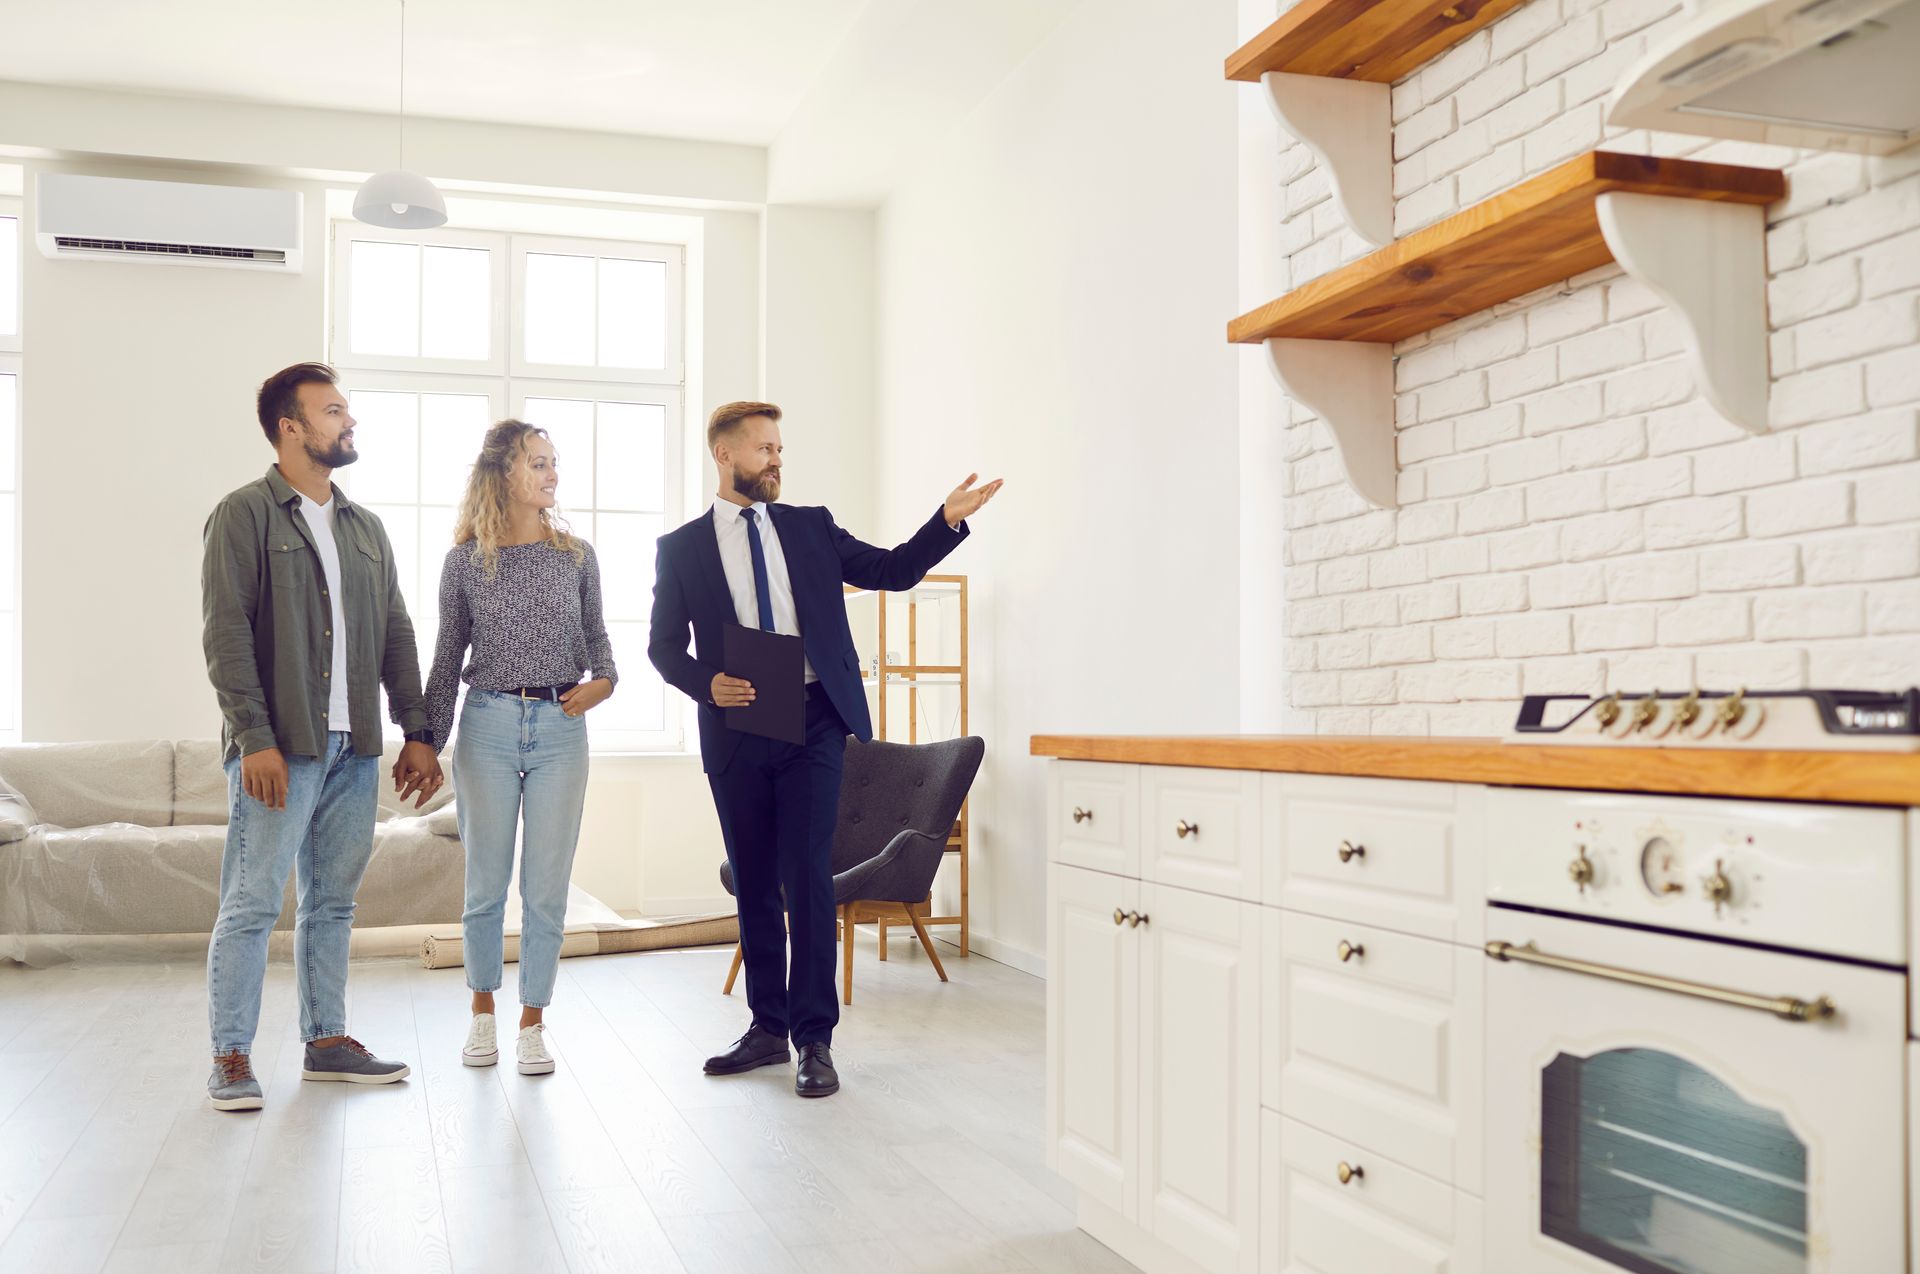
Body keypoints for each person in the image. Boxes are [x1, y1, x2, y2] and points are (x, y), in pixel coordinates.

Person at [649, 401, 1001, 1098]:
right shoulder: (682, 548)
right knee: (754, 878)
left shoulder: (809, 527)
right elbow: (662, 647)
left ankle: (815, 1038)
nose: (777, 458)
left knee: (805, 874)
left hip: (814, 717)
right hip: (738, 721)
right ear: (725, 456)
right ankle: (765, 1029)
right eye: (763, 449)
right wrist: (706, 684)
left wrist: (947, 520)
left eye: (779, 447)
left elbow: (895, 569)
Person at [202, 361, 444, 1112]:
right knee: (250, 903)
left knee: (332, 903)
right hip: (283, 744)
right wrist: (255, 739)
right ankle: (232, 1056)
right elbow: (227, 634)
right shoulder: (244, 515)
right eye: (334, 411)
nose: (349, 423)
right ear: (291, 427)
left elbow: (397, 632)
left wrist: (419, 730)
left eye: (347, 411)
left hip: (355, 745)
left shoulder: (365, 528)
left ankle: (327, 1039)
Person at [424, 421, 615, 1077]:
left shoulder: (576, 555)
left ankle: (533, 1023)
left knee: (545, 891)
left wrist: (602, 687)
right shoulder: (466, 562)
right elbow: (447, 662)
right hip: (488, 727)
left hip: (563, 726)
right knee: (484, 886)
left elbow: (602, 651)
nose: (552, 473)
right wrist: (425, 741)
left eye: (554, 462)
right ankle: (482, 1016)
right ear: (504, 472)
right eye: (539, 462)